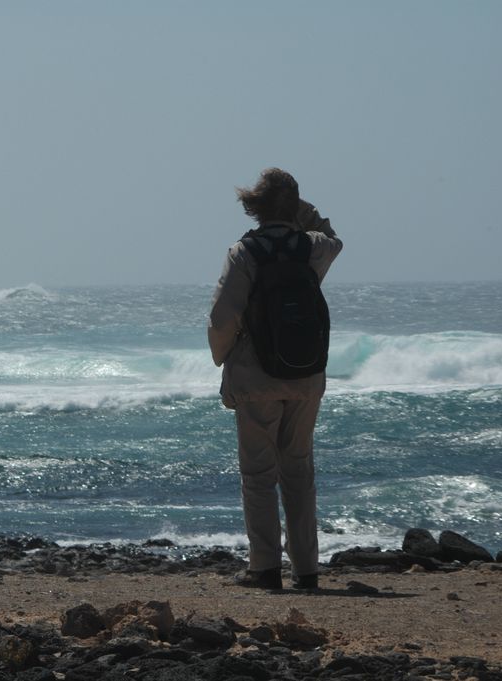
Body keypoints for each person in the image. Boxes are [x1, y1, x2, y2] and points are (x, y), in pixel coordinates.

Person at [208, 168, 342, 590]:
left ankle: (264, 568)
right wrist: (302, 208)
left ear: (255, 208)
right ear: (294, 207)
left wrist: (222, 358)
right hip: (306, 374)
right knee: (299, 471)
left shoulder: (243, 252)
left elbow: (222, 318)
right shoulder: (314, 247)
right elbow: (334, 237)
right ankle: (307, 569)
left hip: (256, 374)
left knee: (259, 475)